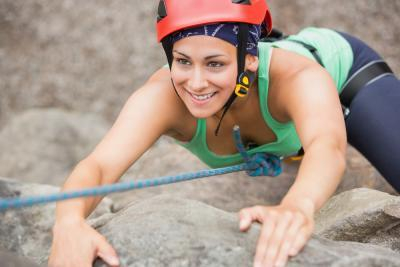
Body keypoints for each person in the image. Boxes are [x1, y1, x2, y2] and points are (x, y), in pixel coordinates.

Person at [49, 0, 400, 266]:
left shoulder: (299, 79)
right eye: (183, 61)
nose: (196, 83)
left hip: (347, 76)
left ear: (251, 58)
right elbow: (99, 166)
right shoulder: (162, 97)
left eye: (215, 63)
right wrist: (67, 222)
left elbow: (328, 147)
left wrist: (297, 206)